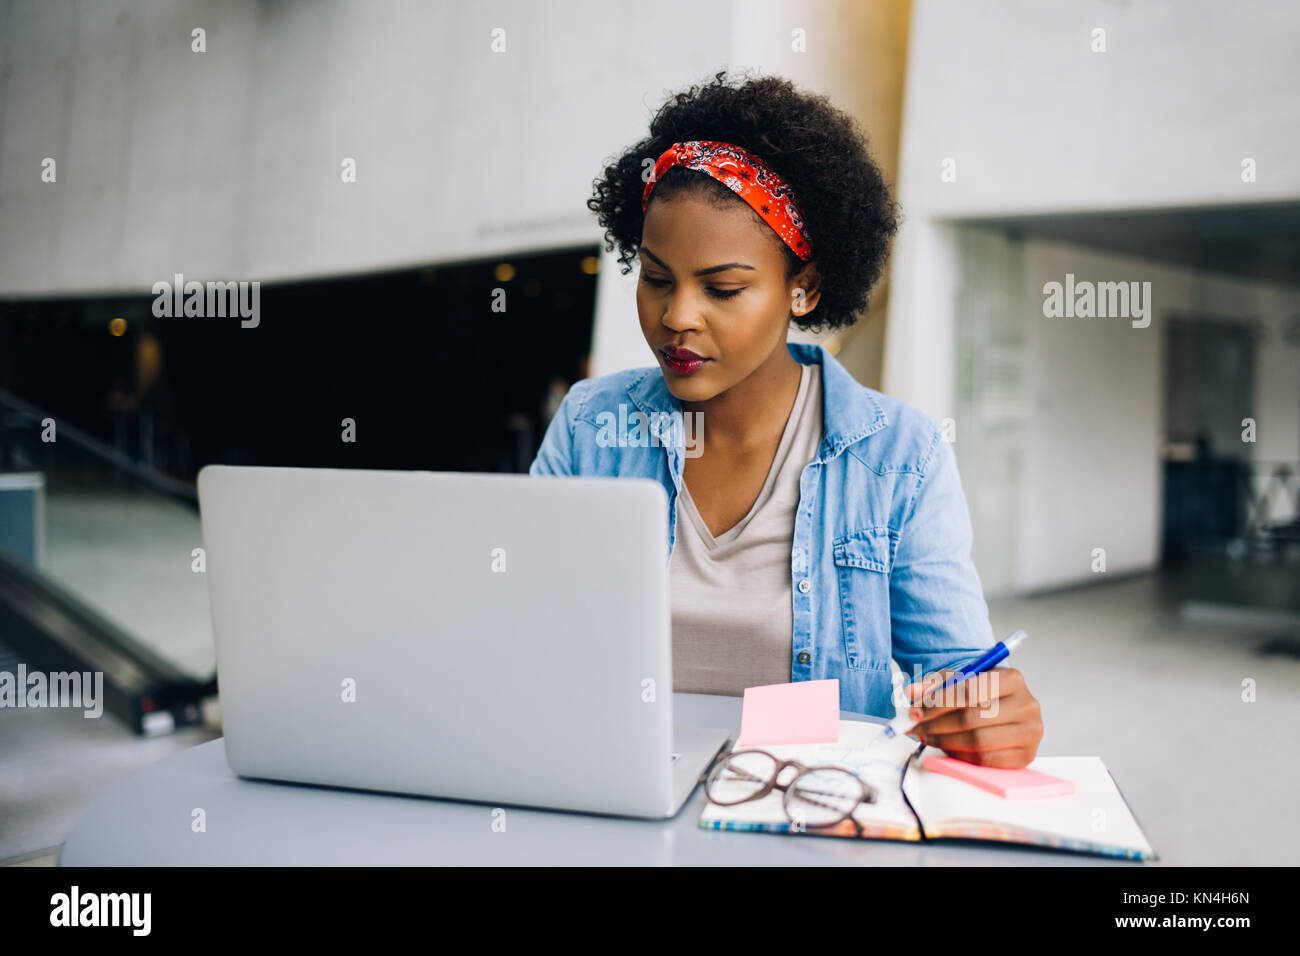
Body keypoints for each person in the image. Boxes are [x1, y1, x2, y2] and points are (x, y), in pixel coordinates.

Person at [531, 71, 1041, 768]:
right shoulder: (592, 425)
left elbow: (956, 683)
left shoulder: (897, 456)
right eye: (655, 278)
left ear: (802, 289)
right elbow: (525, 627)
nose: (677, 316)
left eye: (724, 288)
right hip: (608, 779)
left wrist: (987, 715)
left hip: (806, 804)